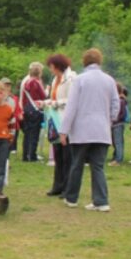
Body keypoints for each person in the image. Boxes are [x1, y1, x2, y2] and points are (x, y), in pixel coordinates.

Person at [59, 48, 120, 211]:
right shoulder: (109, 80)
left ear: (84, 61)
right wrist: (110, 119)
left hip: (81, 130)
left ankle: (71, 198)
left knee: (77, 164)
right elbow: (116, 103)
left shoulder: (79, 80)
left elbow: (71, 107)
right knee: (98, 166)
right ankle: (101, 201)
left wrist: (64, 130)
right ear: (99, 61)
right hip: (101, 129)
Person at [43, 54, 76, 197]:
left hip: (65, 119)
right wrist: (46, 102)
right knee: (57, 154)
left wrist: (56, 103)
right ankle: (57, 185)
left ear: (57, 66)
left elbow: (72, 100)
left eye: (51, 66)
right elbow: (53, 97)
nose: (50, 69)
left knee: (67, 155)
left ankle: (67, 187)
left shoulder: (71, 79)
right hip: (55, 119)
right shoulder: (55, 79)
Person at [18, 62, 47, 162]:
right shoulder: (36, 82)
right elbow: (43, 96)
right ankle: (32, 156)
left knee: (27, 133)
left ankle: (25, 155)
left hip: (27, 108)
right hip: (35, 110)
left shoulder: (27, 82)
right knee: (34, 134)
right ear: (39, 73)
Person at [110, 83, 128, 165]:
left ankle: (119, 159)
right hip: (114, 124)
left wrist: (116, 119)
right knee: (115, 141)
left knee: (118, 142)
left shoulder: (121, 101)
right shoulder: (117, 100)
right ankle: (116, 156)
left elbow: (123, 114)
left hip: (118, 124)